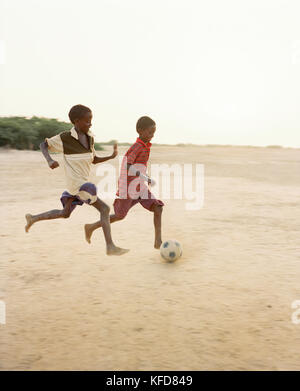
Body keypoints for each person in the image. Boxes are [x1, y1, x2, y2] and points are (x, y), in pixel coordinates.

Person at [25, 104, 128, 256]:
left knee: (65, 213)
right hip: (77, 185)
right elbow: (43, 145)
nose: (90, 123)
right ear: (76, 121)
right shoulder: (65, 138)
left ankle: (33, 218)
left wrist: (110, 157)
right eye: (87, 121)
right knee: (105, 209)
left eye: (91, 120)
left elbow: (94, 159)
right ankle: (110, 246)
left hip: (81, 184)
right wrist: (49, 160)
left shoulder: (90, 138)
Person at [84, 116, 164, 249]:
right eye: (150, 132)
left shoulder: (146, 146)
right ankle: (91, 227)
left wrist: (145, 177)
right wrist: (145, 177)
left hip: (139, 186)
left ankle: (158, 242)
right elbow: (128, 165)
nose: (152, 135)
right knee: (120, 216)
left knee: (158, 208)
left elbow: (139, 166)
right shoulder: (137, 146)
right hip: (128, 187)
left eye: (154, 132)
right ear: (140, 131)